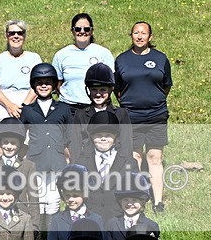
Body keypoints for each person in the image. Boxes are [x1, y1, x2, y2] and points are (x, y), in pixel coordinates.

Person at [114, 21, 173, 213]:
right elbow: (118, 88)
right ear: (131, 36)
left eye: (143, 33)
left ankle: (157, 202)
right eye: (136, 33)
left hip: (156, 115)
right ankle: (137, 198)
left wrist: (153, 101)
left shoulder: (160, 58)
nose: (139, 36)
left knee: (155, 157)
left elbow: (166, 86)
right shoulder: (122, 59)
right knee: (135, 157)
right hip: (131, 117)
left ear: (150, 37)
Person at [19, 63, 73, 240]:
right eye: (40, 83)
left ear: (53, 86)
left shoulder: (63, 109)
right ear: (34, 86)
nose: (44, 86)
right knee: (36, 205)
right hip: (35, 163)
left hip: (57, 163)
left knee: (53, 204)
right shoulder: (28, 110)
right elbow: (20, 136)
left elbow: (70, 137)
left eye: (47, 83)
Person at [44, 164, 106, 240]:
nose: (71, 200)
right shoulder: (57, 219)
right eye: (67, 196)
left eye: (75, 195)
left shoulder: (96, 219)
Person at [75, 110, 139, 220]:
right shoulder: (81, 162)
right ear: (91, 137)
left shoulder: (129, 162)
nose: (103, 138)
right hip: (89, 219)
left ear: (115, 137)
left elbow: (136, 193)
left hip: (118, 219)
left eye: (108, 135)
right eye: (98, 135)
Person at [52, 13, 115, 116]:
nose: (82, 32)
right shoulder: (61, 55)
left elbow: (111, 82)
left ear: (92, 30)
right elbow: (57, 84)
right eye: (78, 29)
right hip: (69, 108)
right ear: (72, 31)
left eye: (86, 29)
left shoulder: (103, 53)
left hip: (95, 107)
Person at [70, 63, 133, 162]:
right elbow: (75, 145)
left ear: (110, 90)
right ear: (89, 90)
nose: (98, 94)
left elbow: (126, 145)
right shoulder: (80, 114)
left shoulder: (121, 113)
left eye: (103, 90)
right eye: (94, 90)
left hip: (115, 164)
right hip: (89, 164)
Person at [0, 20, 42, 120]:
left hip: (29, 102)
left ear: (24, 36)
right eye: (12, 33)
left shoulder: (34, 58)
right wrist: (9, 105)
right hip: (3, 104)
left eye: (20, 33)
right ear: (6, 36)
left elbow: (39, 83)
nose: (16, 36)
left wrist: (25, 106)